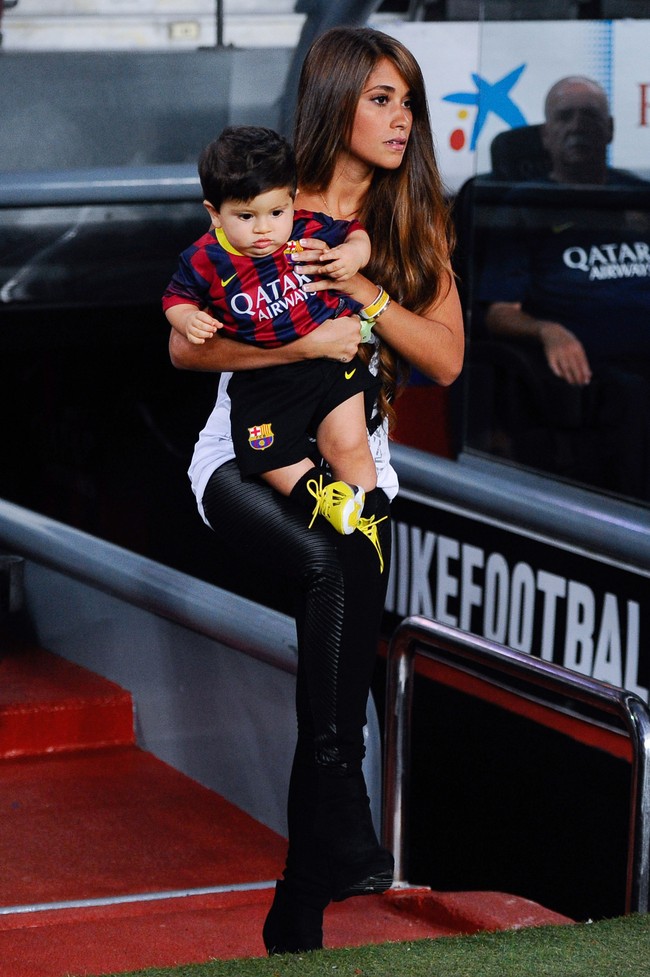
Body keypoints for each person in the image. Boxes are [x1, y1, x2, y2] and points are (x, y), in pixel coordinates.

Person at [169, 25, 464, 954]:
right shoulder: (270, 200)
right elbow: (186, 343)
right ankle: (339, 827)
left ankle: (303, 895)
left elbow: (448, 359)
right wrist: (307, 342)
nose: (399, 117)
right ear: (337, 100)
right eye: (381, 97)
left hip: (357, 469)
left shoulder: (409, 223)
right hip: (242, 457)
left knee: (340, 652)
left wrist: (367, 291)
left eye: (407, 100)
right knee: (336, 583)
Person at [163, 125, 385, 544]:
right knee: (267, 455)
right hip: (266, 381)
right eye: (246, 217)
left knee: (350, 444)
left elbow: (355, 231)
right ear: (215, 213)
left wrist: (353, 255)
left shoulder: (307, 229)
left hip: (331, 365)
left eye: (276, 213)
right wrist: (187, 318)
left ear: (292, 200)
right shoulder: (204, 259)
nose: (264, 229)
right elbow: (175, 298)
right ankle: (326, 500)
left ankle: (366, 520)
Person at [479, 76, 650, 497]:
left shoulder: (638, 197)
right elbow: (499, 313)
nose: (578, 126)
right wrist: (547, 331)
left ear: (609, 129)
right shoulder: (523, 205)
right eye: (565, 116)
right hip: (599, 371)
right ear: (546, 135)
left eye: (590, 116)